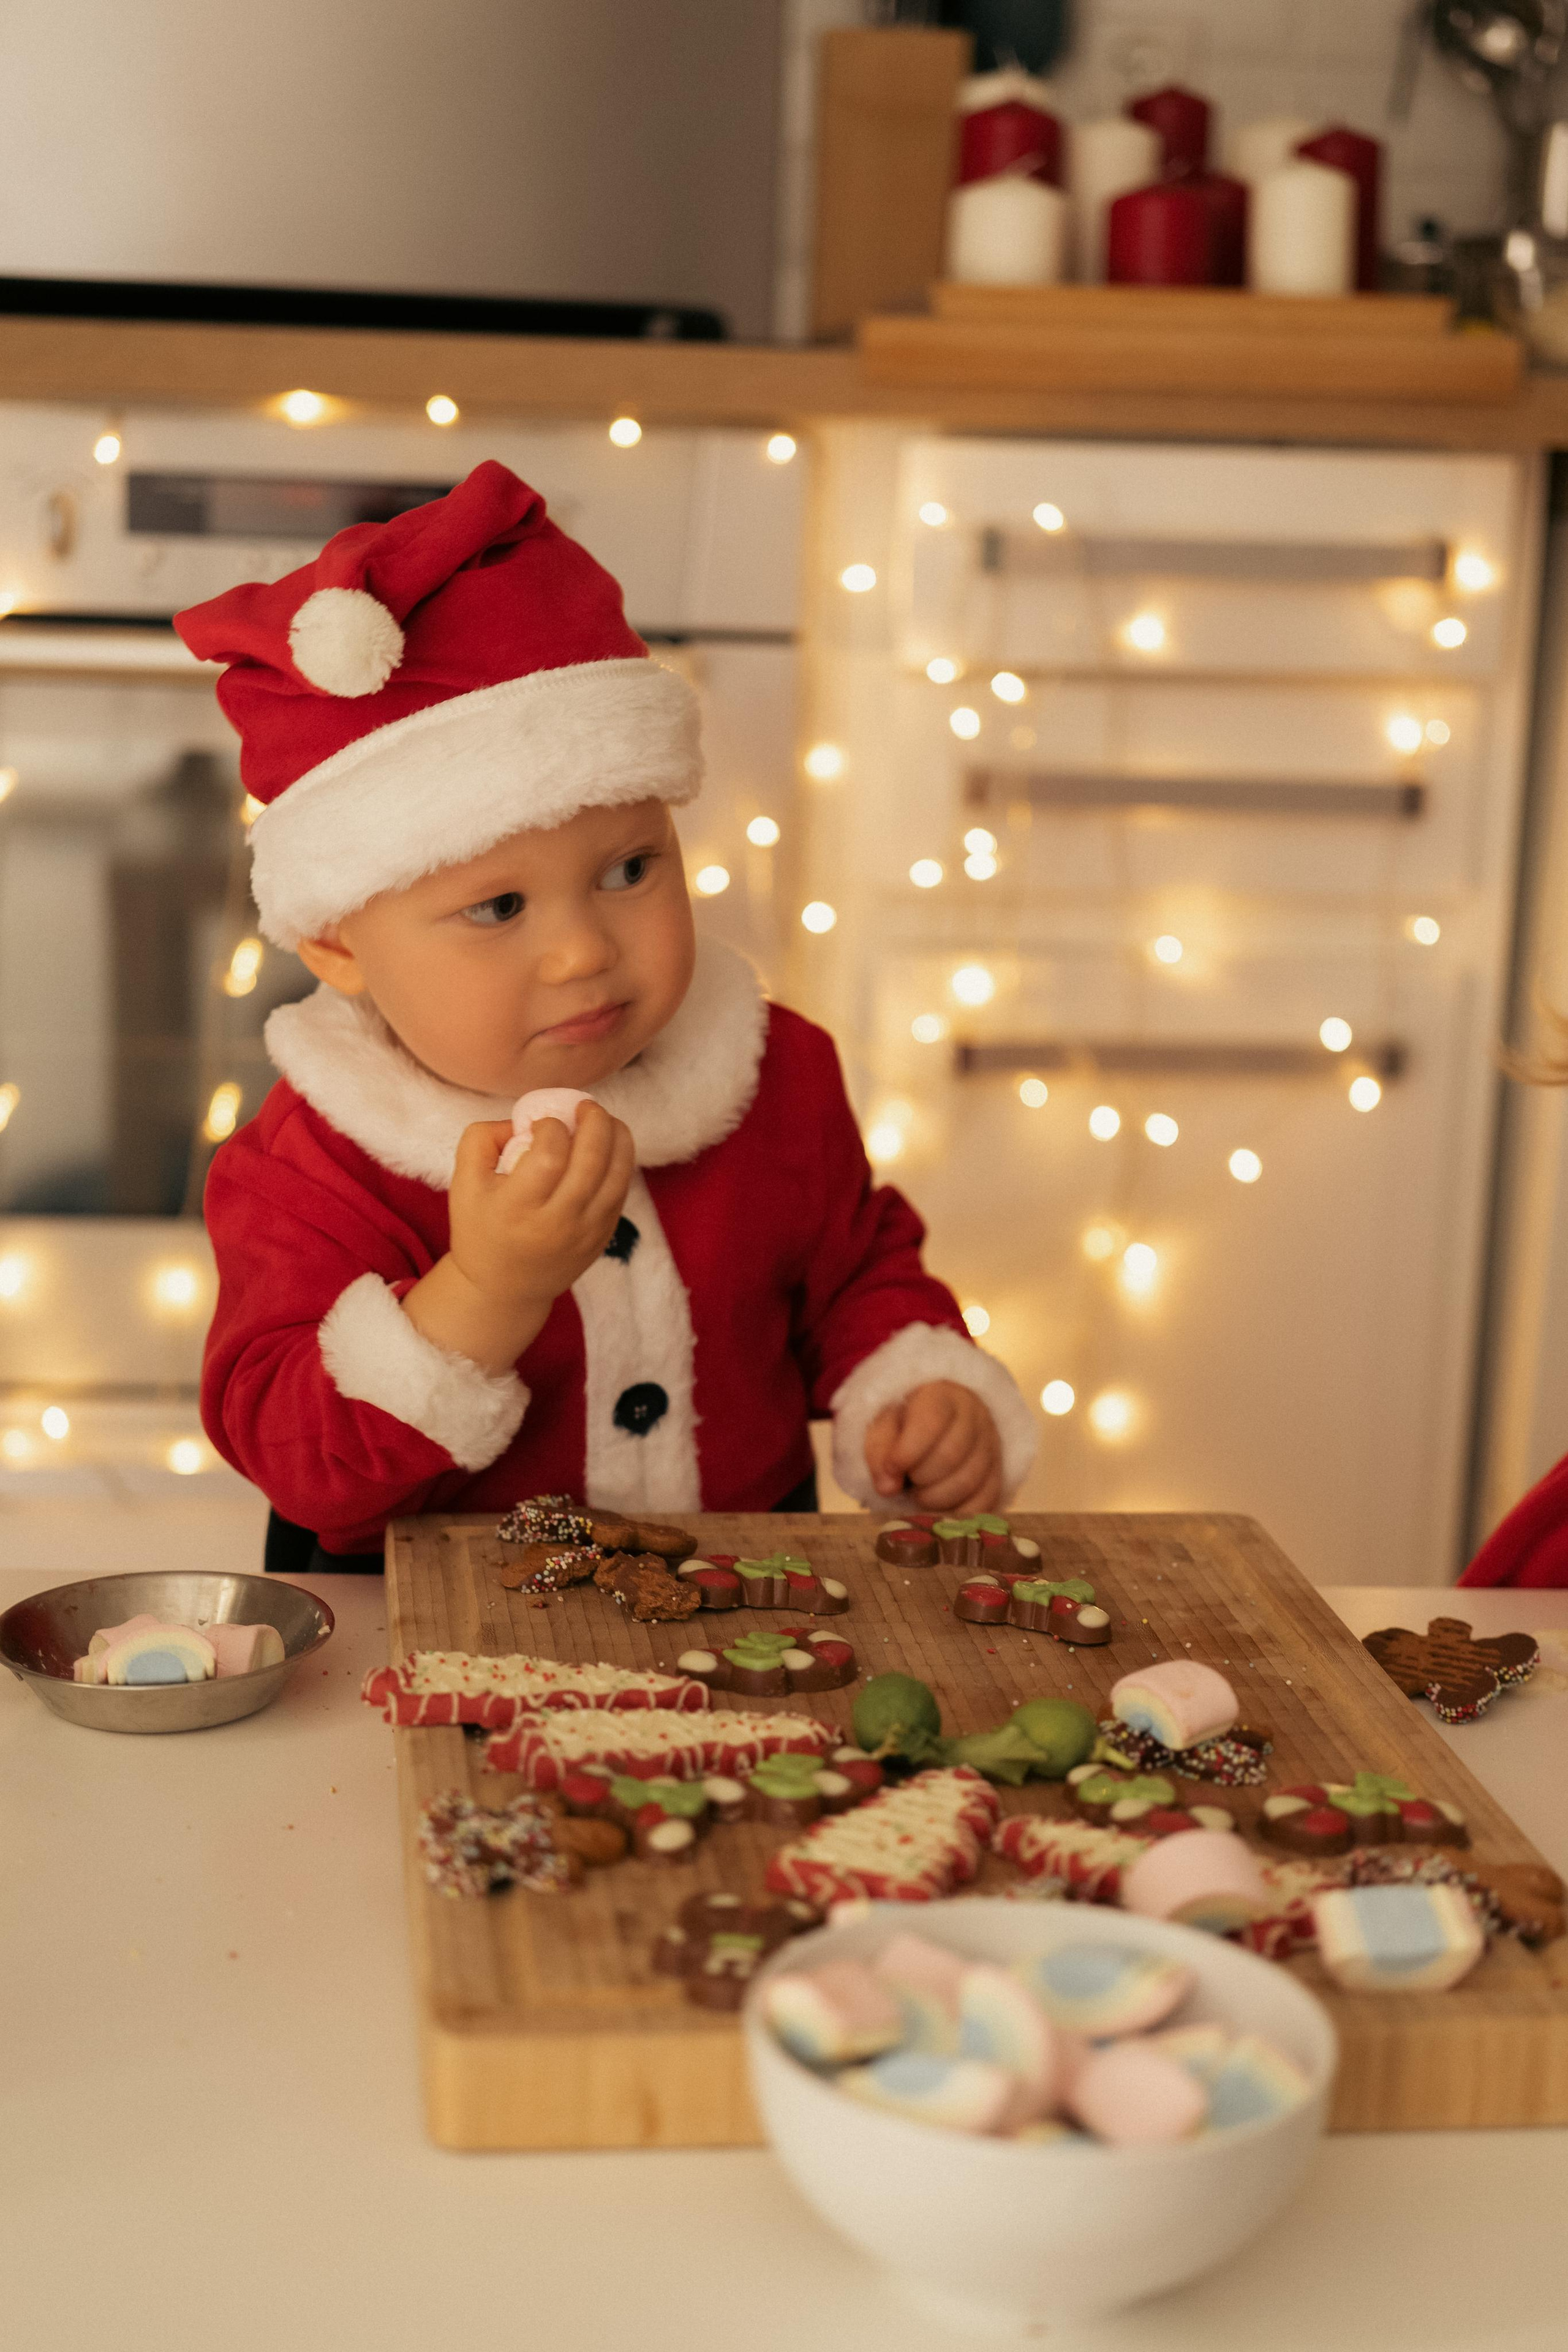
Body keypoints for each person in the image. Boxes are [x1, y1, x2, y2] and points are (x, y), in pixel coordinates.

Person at [179, 462, 1035, 1572]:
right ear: (340, 946)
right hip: (433, 1628)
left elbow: (856, 1270)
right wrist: (487, 1294)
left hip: (748, 1605)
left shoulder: (775, 1073)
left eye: (631, 869)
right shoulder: (311, 1168)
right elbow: (298, 1456)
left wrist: (917, 1385)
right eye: (497, 907)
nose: (584, 949)